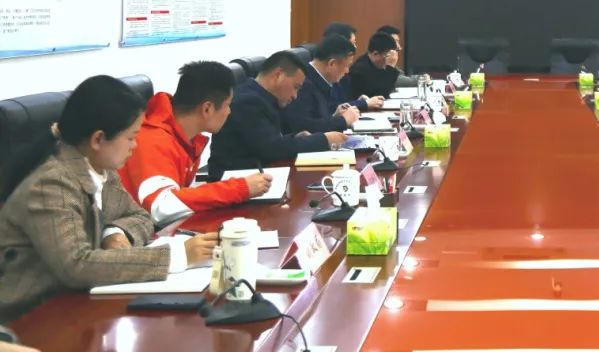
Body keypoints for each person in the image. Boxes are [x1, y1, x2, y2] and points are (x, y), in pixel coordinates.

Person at [0, 76, 218, 323]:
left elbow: (139, 216)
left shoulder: (98, 167)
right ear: (98, 139)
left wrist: (114, 232)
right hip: (30, 318)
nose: (135, 146)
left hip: (77, 303)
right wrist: (178, 256)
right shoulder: (51, 183)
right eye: (131, 137)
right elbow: (77, 265)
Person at [119, 61, 272, 227]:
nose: (229, 111)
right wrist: (239, 188)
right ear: (207, 109)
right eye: (227, 105)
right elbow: (161, 207)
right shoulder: (153, 139)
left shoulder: (186, 137)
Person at [208, 51, 348, 180]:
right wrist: (324, 139)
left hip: (259, 174)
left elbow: (268, 140)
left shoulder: (264, 97)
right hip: (236, 180)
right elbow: (272, 148)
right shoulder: (248, 102)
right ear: (278, 75)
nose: (295, 95)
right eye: (295, 87)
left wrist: (295, 137)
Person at [282, 35, 365, 134]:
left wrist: (334, 116)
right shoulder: (302, 83)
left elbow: (318, 119)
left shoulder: (320, 79)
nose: (347, 71)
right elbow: (303, 127)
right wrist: (343, 121)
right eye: (347, 66)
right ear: (332, 64)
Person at [344, 32, 405, 99]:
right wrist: (390, 68)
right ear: (375, 54)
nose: (389, 60)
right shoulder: (359, 70)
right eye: (387, 56)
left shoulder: (377, 64)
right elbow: (381, 95)